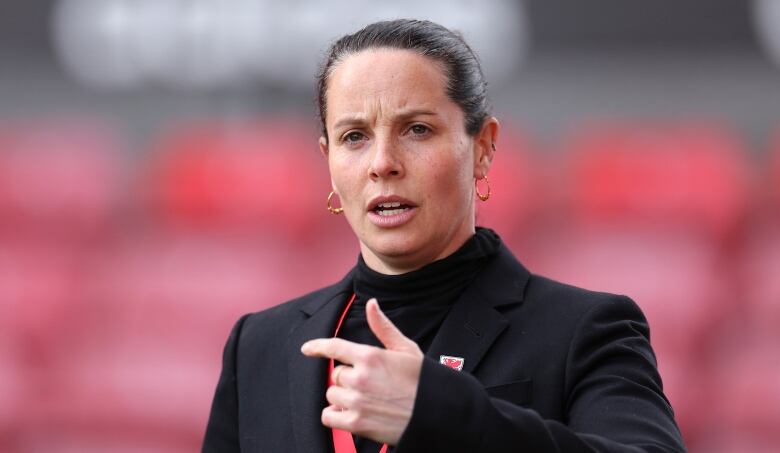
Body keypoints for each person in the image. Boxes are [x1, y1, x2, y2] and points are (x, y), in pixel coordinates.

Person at [202, 19, 686, 453]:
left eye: (416, 129)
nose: (382, 163)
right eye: (355, 137)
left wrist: (444, 414)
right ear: (327, 160)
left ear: (483, 148)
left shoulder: (585, 330)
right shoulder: (258, 345)